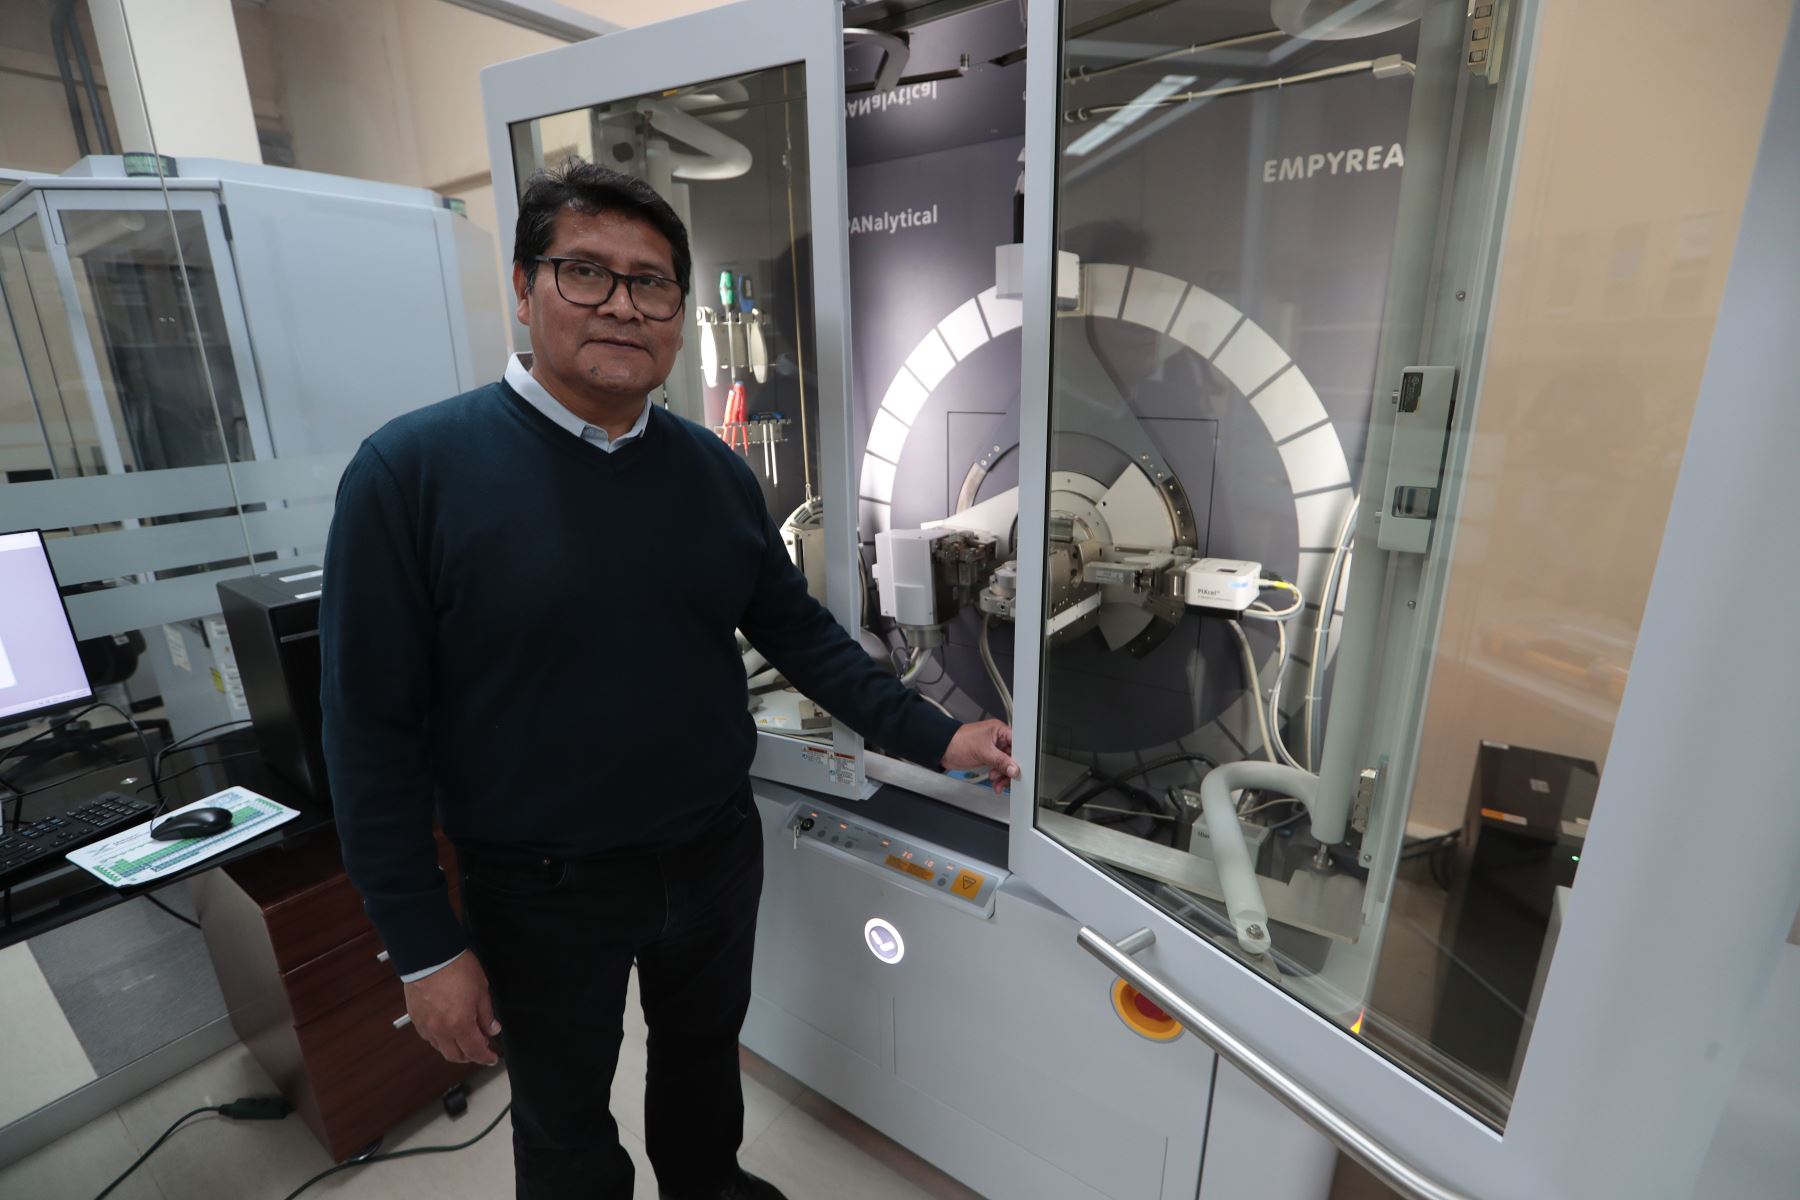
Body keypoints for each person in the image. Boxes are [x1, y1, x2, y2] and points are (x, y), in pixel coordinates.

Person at [318, 159, 1019, 1200]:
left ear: (680, 316)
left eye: (650, 284)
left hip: (712, 855)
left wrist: (935, 733)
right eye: (585, 272)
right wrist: (422, 948)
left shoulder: (711, 472)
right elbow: (367, 732)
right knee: (563, 1120)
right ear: (524, 288)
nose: (621, 306)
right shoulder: (412, 474)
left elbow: (801, 635)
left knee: (702, 1067)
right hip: (541, 886)